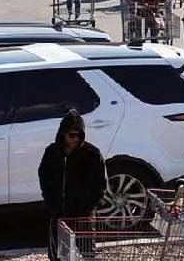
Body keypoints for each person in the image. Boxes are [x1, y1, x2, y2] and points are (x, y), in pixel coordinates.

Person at [38, 109, 108, 261]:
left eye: (78, 135)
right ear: (63, 133)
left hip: (83, 216)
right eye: (71, 135)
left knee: (88, 254)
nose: (75, 139)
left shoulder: (92, 154)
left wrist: (87, 207)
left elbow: (100, 185)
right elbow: (44, 176)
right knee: (57, 256)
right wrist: (51, 201)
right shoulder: (52, 152)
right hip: (59, 214)